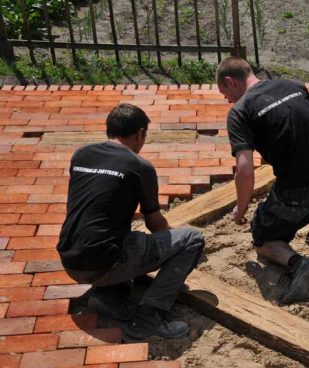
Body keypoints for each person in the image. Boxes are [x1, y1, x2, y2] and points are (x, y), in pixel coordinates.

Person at [216, 56, 309, 304]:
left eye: (225, 94)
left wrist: (241, 208)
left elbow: (244, 168)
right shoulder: (292, 85)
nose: (229, 100)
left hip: (296, 192)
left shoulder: (240, 111)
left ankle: (299, 264)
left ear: (230, 81)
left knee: (263, 237)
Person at [57, 103, 205, 339]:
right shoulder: (139, 167)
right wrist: (175, 236)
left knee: (124, 235)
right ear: (140, 134)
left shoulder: (81, 154)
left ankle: (108, 298)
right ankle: (149, 318)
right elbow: (154, 225)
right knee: (191, 240)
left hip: (70, 258)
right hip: (103, 264)